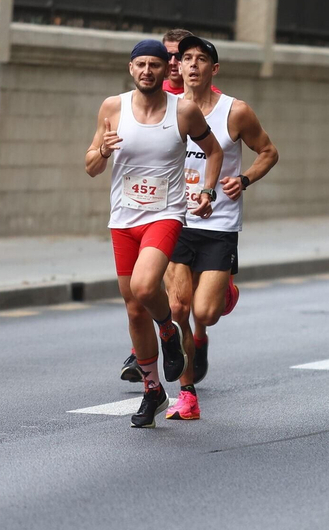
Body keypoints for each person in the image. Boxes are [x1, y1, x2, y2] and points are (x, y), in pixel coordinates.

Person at [85, 40, 223, 428]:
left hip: (164, 215)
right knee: (132, 308)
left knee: (147, 289)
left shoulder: (184, 111)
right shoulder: (113, 108)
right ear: (132, 69)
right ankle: (153, 391)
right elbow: (91, 165)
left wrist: (208, 191)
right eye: (141, 64)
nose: (148, 71)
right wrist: (103, 152)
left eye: (156, 65)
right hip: (122, 220)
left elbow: (214, 152)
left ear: (168, 70)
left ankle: (166, 330)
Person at [159, 36, 280, 421]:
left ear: (215, 69)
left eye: (201, 59)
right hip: (176, 219)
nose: (191, 65)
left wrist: (242, 180)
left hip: (219, 224)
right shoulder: (166, 110)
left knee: (205, 313)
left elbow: (269, 152)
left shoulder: (235, 112)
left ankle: (223, 288)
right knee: (178, 308)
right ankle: (188, 395)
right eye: (186, 58)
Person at [121, 28, 220, 384]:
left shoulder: (201, 104)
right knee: (156, 293)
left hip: (200, 212)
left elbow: (218, 151)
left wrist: (211, 189)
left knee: (197, 305)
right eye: (172, 56)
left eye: (182, 56)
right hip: (153, 209)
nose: (177, 64)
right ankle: (149, 349)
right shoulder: (143, 98)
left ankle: (197, 334)